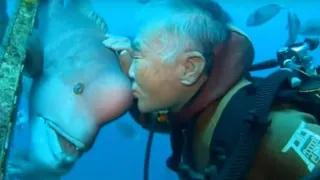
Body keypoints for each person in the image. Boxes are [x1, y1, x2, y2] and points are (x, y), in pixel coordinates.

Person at [103, 1, 320, 179]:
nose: (131, 71)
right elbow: (159, 120)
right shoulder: (201, 112)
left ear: (189, 68)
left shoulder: (275, 134)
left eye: (139, 54)